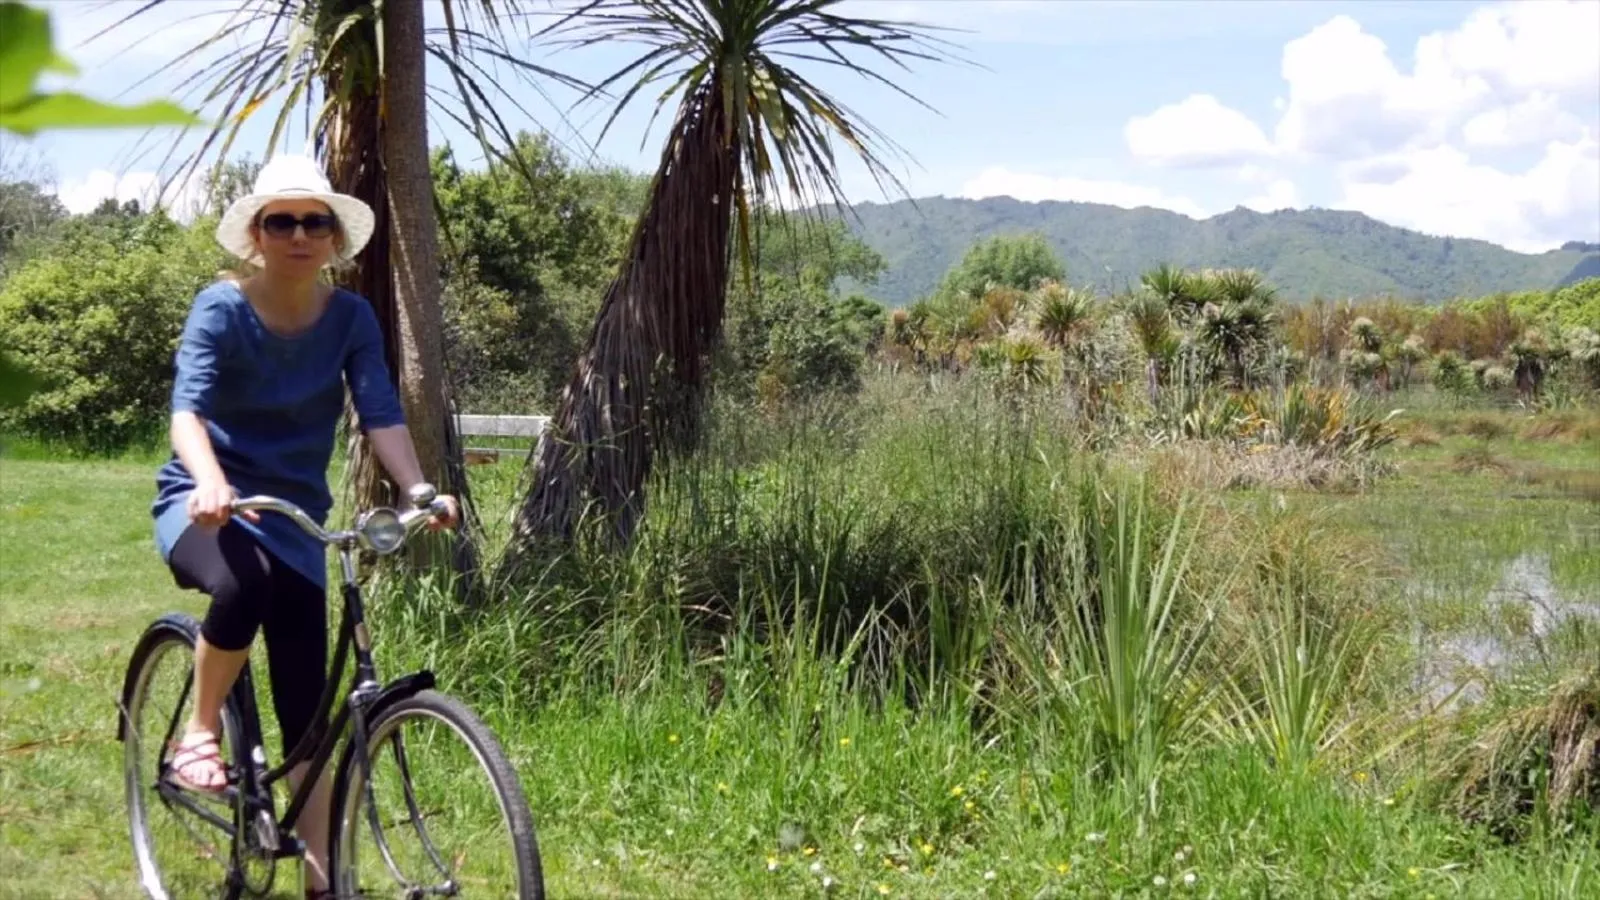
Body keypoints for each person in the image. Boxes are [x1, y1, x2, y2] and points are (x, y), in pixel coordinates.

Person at [150, 154, 459, 900]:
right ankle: (198, 733)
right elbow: (187, 410)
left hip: (295, 519)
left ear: (333, 239)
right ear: (257, 235)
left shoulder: (351, 318)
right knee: (242, 585)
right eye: (281, 221)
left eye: (313, 222)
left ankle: (323, 884)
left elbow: (378, 410)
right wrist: (212, 481)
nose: (298, 234)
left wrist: (419, 488)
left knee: (307, 711)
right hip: (204, 505)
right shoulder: (220, 309)